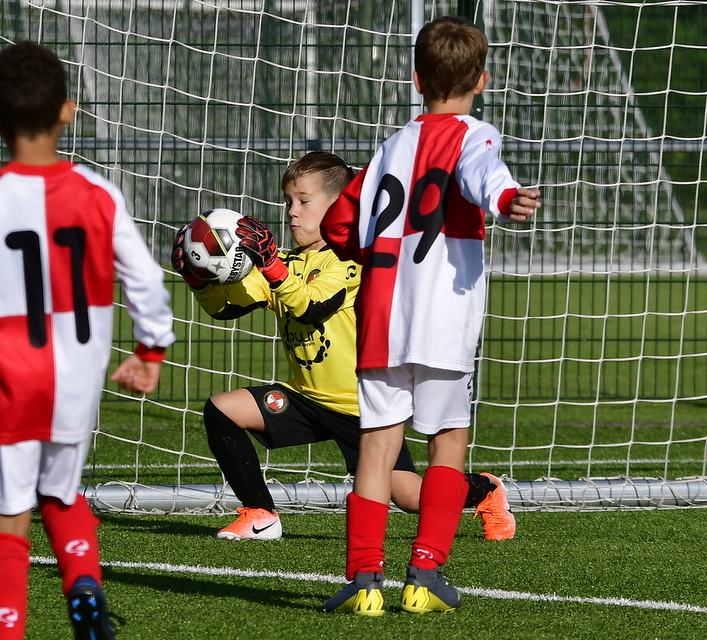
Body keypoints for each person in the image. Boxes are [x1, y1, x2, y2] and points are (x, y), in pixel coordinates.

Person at [0, 42, 175, 640]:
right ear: (68, 112)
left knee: (8, 520)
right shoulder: (98, 194)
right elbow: (145, 279)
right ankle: (84, 585)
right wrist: (149, 350)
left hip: (9, 384)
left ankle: (8, 632)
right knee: (62, 492)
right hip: (75, 382)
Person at [170, 151, 515, 546]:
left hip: (363, 407)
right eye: (288, 201)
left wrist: (270, 266)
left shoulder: (350, 260)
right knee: (221, 411)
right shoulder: (285, 262)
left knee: (411, 498)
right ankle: (260, 515)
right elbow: (226, 307)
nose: (292, 211)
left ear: (338, 207)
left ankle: (485, 489)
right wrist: (198, 279)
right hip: (307, 399)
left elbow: (311, 304)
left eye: (304, 201)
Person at [318, 17, 542, 616]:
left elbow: (339, 224)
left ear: (416, 79)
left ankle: (364, 582)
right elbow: (483, 174)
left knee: (377, 446)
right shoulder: (475, 133)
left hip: (381, 317)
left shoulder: (389, 147)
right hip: (442, 317)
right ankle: (424, 575)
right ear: (483, 80)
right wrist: (504, 199)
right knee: (448, 440)